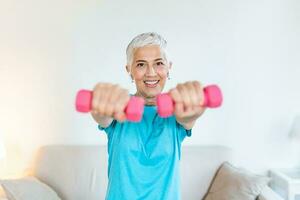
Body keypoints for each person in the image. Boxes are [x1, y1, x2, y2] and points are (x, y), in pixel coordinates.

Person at [91, 32, 206, 200]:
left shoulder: (177, 108)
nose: (151, 73)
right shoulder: (119, 106)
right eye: (141, 64)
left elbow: (187, 119)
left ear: (168, 68)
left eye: (159, 63)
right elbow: (103, 117)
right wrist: (100, 107)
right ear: (129, 70)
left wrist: (194, 111)